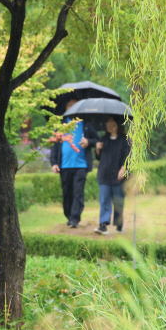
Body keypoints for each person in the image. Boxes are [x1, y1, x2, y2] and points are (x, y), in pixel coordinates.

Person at [50, 99, 99, 228]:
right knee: (67, 193)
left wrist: (88, 142)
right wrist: (54, 163)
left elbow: (97, 139)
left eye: (75, 105)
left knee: (78, 192)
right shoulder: (61, 126)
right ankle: (69, 215)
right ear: (66, 108)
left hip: (81, 165)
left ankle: (75, 219)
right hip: (64, 165)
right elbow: (55, 146)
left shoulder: (86, 124)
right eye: (70, 105)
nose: (73, 108)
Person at [94, 116, 130, 235]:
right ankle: (103, 224)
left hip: (119, 176)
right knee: (104, 200)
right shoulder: (103, 139)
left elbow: (128, 156)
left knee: (118, 201)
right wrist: (98, 149)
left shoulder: (125, 140)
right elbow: (98, 157)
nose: (109, 125)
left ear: (118, 124)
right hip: (104, 174)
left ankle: (119, 224)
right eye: (107, 122)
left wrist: (123, 168)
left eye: (112, 122)